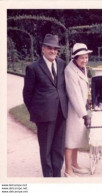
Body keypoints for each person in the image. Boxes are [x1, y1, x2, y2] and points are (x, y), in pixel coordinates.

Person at [23, 34, 68, 177]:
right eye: (50, 48)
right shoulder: (33, 68)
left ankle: (57, 176)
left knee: (59, 148)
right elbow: (27, 94)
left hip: (61, 113)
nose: (53, 51)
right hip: (44, 116)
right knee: (46, 149)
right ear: (43, 49)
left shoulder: (62, 64)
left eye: (55, 49)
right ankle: (48, 180)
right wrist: (36, 113)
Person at [64, 43, 92, 177]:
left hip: (81, 109)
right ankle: (68, 169)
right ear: (75, 58)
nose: (85, 60)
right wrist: (85, 115)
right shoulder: (70, 71)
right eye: (82, 58)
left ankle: (75, 164)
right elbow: (74, 95)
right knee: (70, 140)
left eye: (86, 57)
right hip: (73, 110)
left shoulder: (82, 68)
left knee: (77, 138)